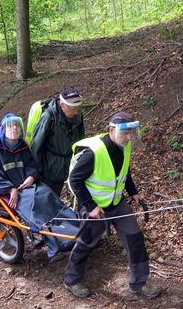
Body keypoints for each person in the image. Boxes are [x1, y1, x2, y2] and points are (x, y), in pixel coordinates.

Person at [63, 111, 161, 299]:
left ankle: (139, 283)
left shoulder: (125, 146)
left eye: (132, 133)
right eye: (125, 133)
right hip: (95, 208)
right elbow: (74, 180)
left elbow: (125, 172)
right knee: (86, 243)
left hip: (117, 203)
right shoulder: (94, 152)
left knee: (135, 239)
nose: (129, 137)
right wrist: (90, 206)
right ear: (111, 130)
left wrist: (133, 192)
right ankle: (72, 280)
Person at [0, 113, 79, 257]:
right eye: (10, 126)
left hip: (27, 185)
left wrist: (31, 176)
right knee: (35, 207)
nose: (14, 128)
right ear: (3, 129)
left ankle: (75, 226)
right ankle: (57, 239)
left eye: (17, 125)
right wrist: (10, 189)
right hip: (8, 190)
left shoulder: (21, 146)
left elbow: (31, 164)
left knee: (48, 196)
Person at [30, 86, 85, 196]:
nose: (75, 112)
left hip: (68, 166)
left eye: (77, 108)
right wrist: (37, 171)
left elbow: (81, 140)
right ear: (62, 104)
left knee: (56, 197)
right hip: (49, 169)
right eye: (71, 108)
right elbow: (36, 145)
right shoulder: (49, 117)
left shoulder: (78, 115)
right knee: (48, 198)